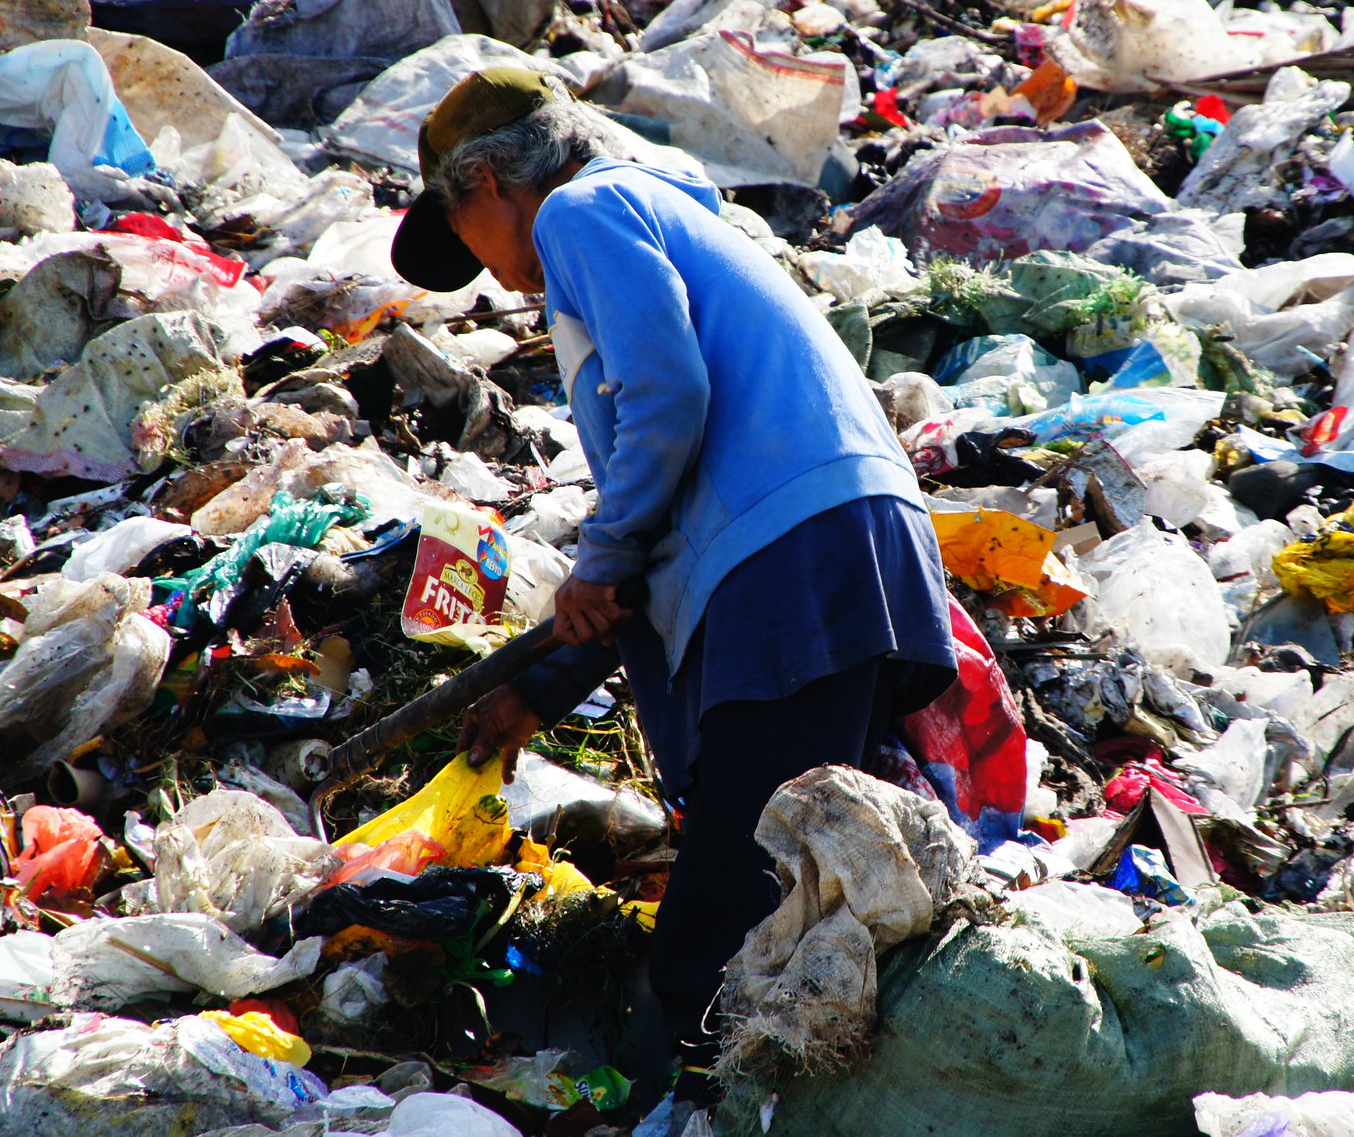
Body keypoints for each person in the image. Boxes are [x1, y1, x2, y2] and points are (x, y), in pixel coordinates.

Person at [388, 67, 957, 1110]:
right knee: (811, 893)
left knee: (713, 944)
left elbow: (665, 398)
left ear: (483, 185)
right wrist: (543, 686)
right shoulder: (661, 214)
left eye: (459, 236)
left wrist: (596, 561)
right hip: (847, 557)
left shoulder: (582, 211)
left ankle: (697, 1114)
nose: (485, 275)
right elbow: (662, 528)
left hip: (791, 569)